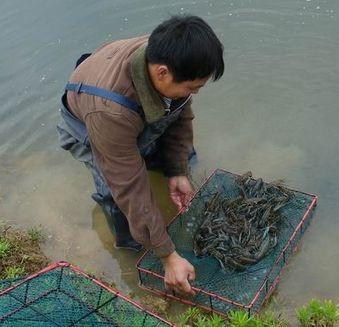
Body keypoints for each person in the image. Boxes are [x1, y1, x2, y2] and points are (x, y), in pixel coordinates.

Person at [56, 15, 224, 295]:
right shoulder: (110, 112)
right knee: (116, 195)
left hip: (132, 111)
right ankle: (130, 251)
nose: (194, 93)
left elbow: (181, 111)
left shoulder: (171, 58)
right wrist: (167, 255)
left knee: (182, 157)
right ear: (161, 73)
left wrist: (177, 171)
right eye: (192, 87)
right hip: (92, 125)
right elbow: (130, 187)